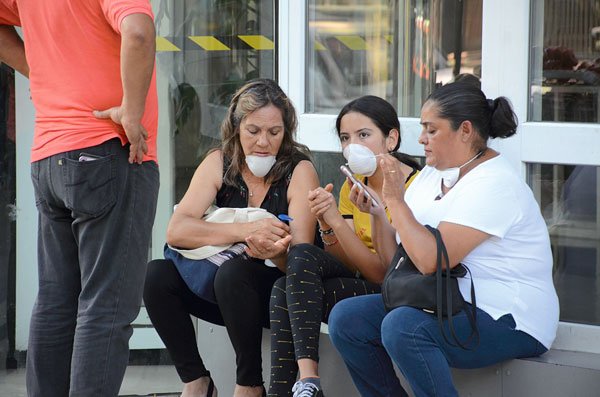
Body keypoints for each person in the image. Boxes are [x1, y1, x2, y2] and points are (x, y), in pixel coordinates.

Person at [327, 82, 560, 397]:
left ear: (464, 130)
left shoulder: (495, 183)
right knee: (347, 319)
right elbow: (396, 261)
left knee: (403, 326)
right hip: (445, 300)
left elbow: (431, 260)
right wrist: (381, 212)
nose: (421, 138)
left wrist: (394, 201)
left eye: (431, 130)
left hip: (509, 316)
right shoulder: (431, 175)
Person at [0, 1, 159, 396]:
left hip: (50, 155)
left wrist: (43, 74)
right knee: (106, 305)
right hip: (106, 149)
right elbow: (138, 33)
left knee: (56, 299)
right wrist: (132, 113)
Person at [143, 79, 320, 397]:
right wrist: (245, 231)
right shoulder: (219, 161)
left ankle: (250, 385)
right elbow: (176, 231)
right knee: (156, 274)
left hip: (274, 292)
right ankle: (196, 380)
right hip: (223, 290)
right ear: (237, 127)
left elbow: (301, 261)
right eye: (253, 131)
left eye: (274, 132)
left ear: (286, 132)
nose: (263, 142)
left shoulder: (299, 171)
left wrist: (274, 251)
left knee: (234, 273)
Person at [268, 96, 421, 397]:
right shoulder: (353, 184)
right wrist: (325, 221)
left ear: (392, 138)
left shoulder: (415, 188)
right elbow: (348, 261)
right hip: (362, 282)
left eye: (364, 135)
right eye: (345, 138)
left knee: (284, 290)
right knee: (290, 275)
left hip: (395, 292)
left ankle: (304, 383)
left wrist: (335, 220)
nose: (353, 146)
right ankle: (306, 382)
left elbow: (382, 273)